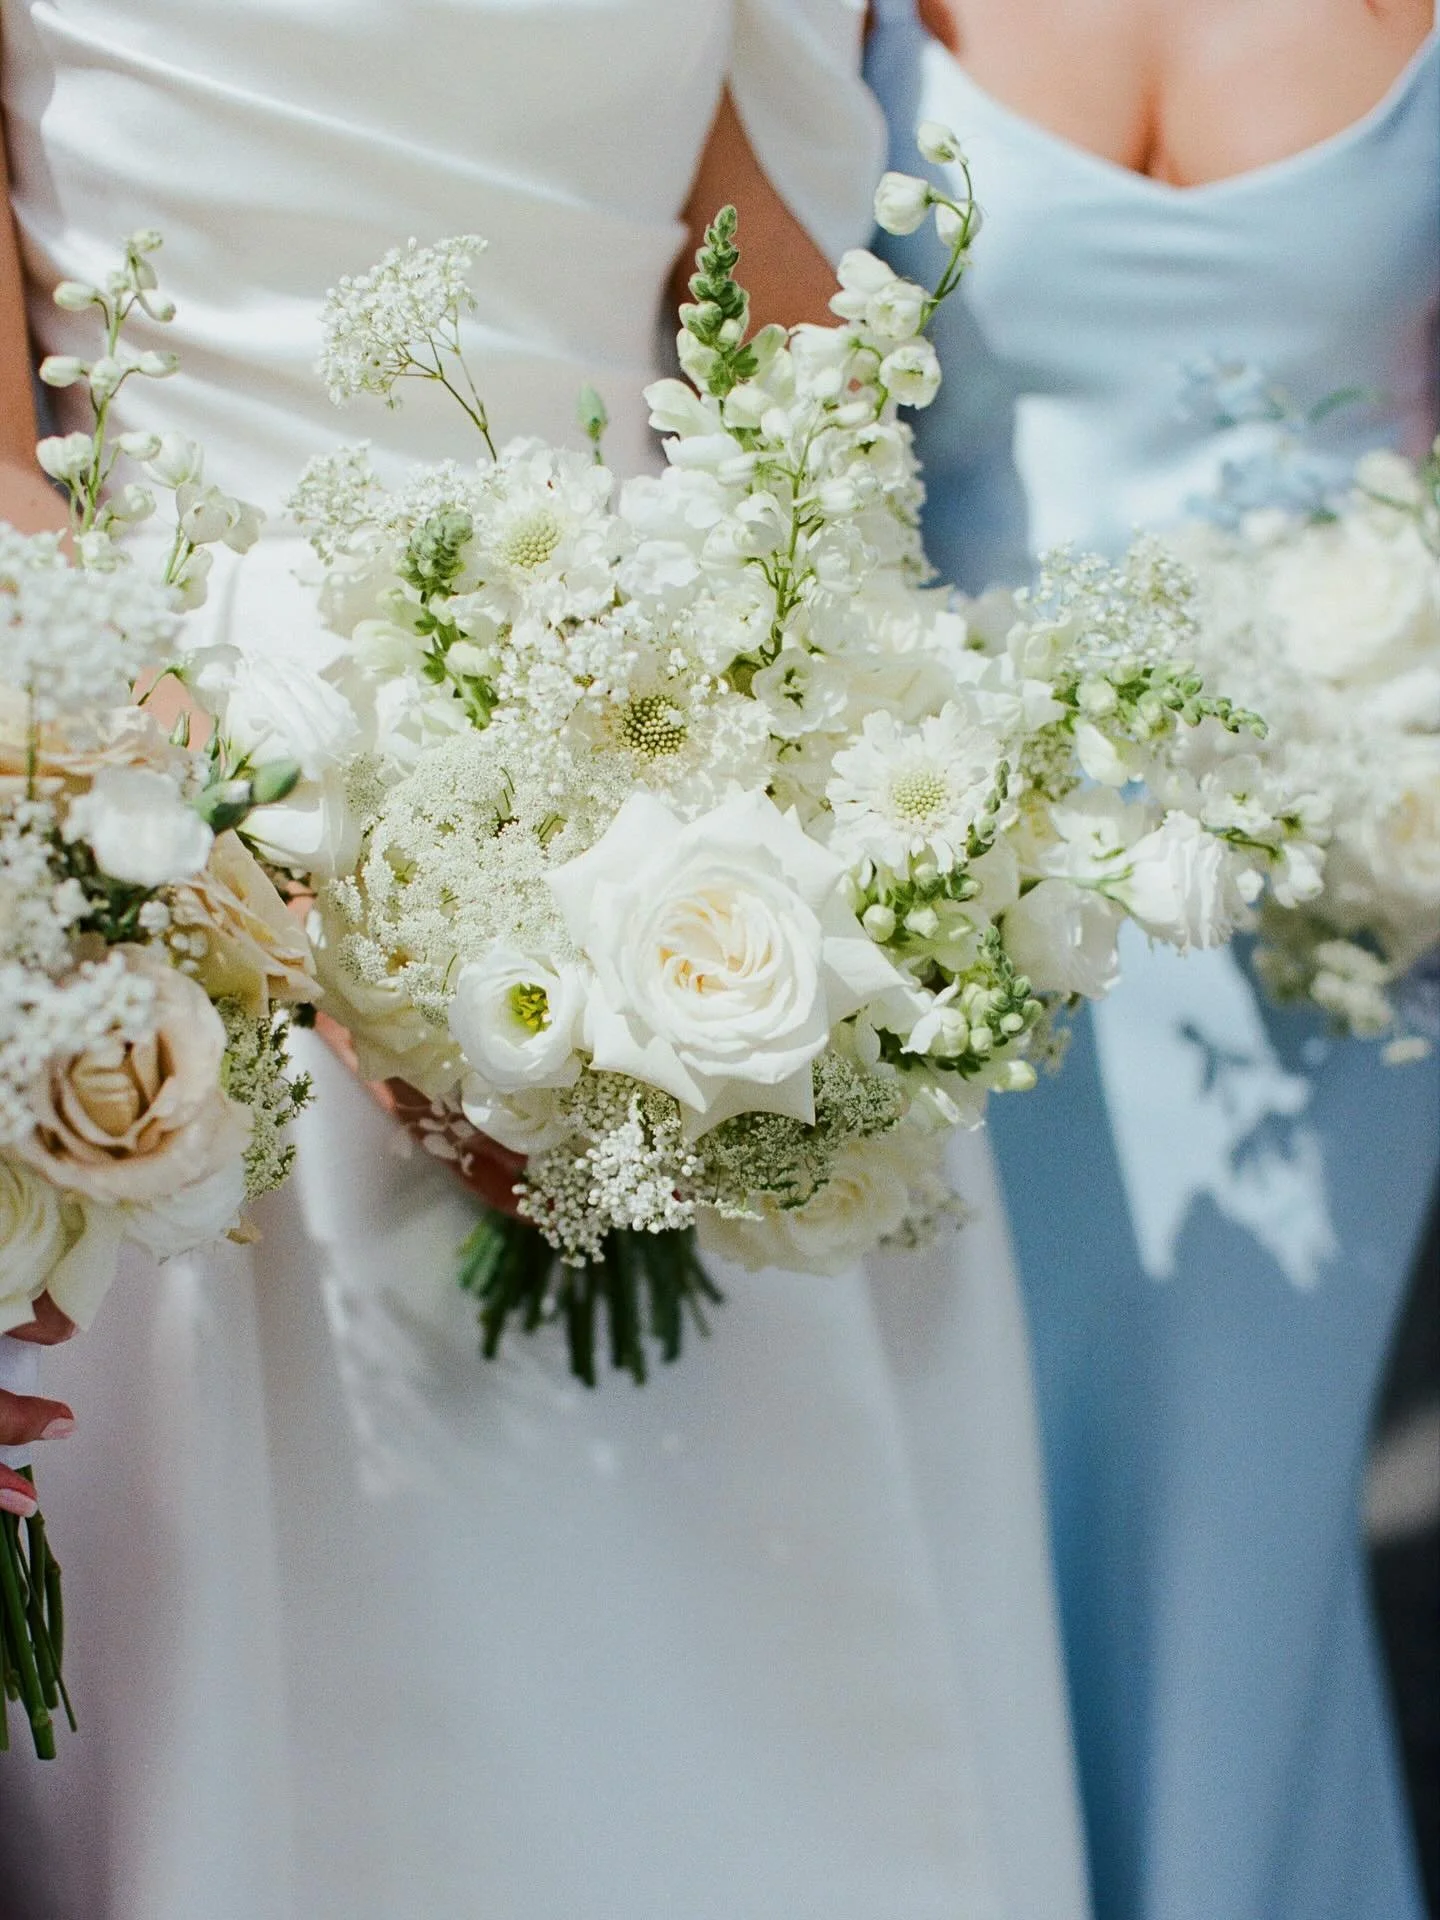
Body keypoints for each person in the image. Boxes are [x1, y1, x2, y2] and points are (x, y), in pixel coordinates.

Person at [0, 6, 1089, 1916]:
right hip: (170, 833)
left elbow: (777, 331)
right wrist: (264, 864)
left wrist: (789, 748)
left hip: (665, 774)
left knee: (757, 1719)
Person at [866, 3, 1440, 1919]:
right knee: (999, 1542)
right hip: (970, 909)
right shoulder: (869, 20)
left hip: (1344, 925)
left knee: (1246, 1567)